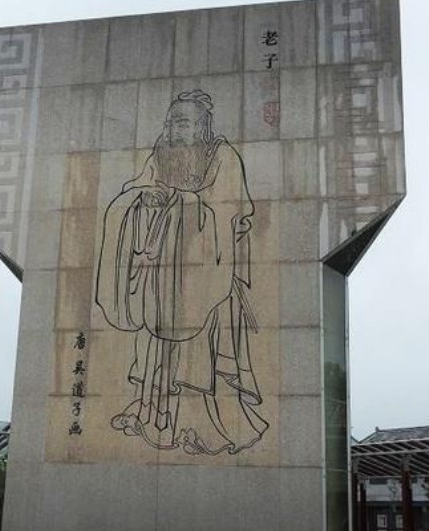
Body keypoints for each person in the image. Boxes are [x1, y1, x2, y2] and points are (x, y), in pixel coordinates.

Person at [95, 90, 268, 455]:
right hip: (162, 276)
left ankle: (197, 425)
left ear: (203, 126)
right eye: (172, 123)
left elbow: (229, 209)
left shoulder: (223, 156)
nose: (176, 130)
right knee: (154, 346)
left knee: (197, 353)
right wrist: (145, 198)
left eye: (185, 123)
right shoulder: (160, 154)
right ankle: (149, 414)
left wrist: (179, 201)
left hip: (207, 274)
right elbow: (135, 188)